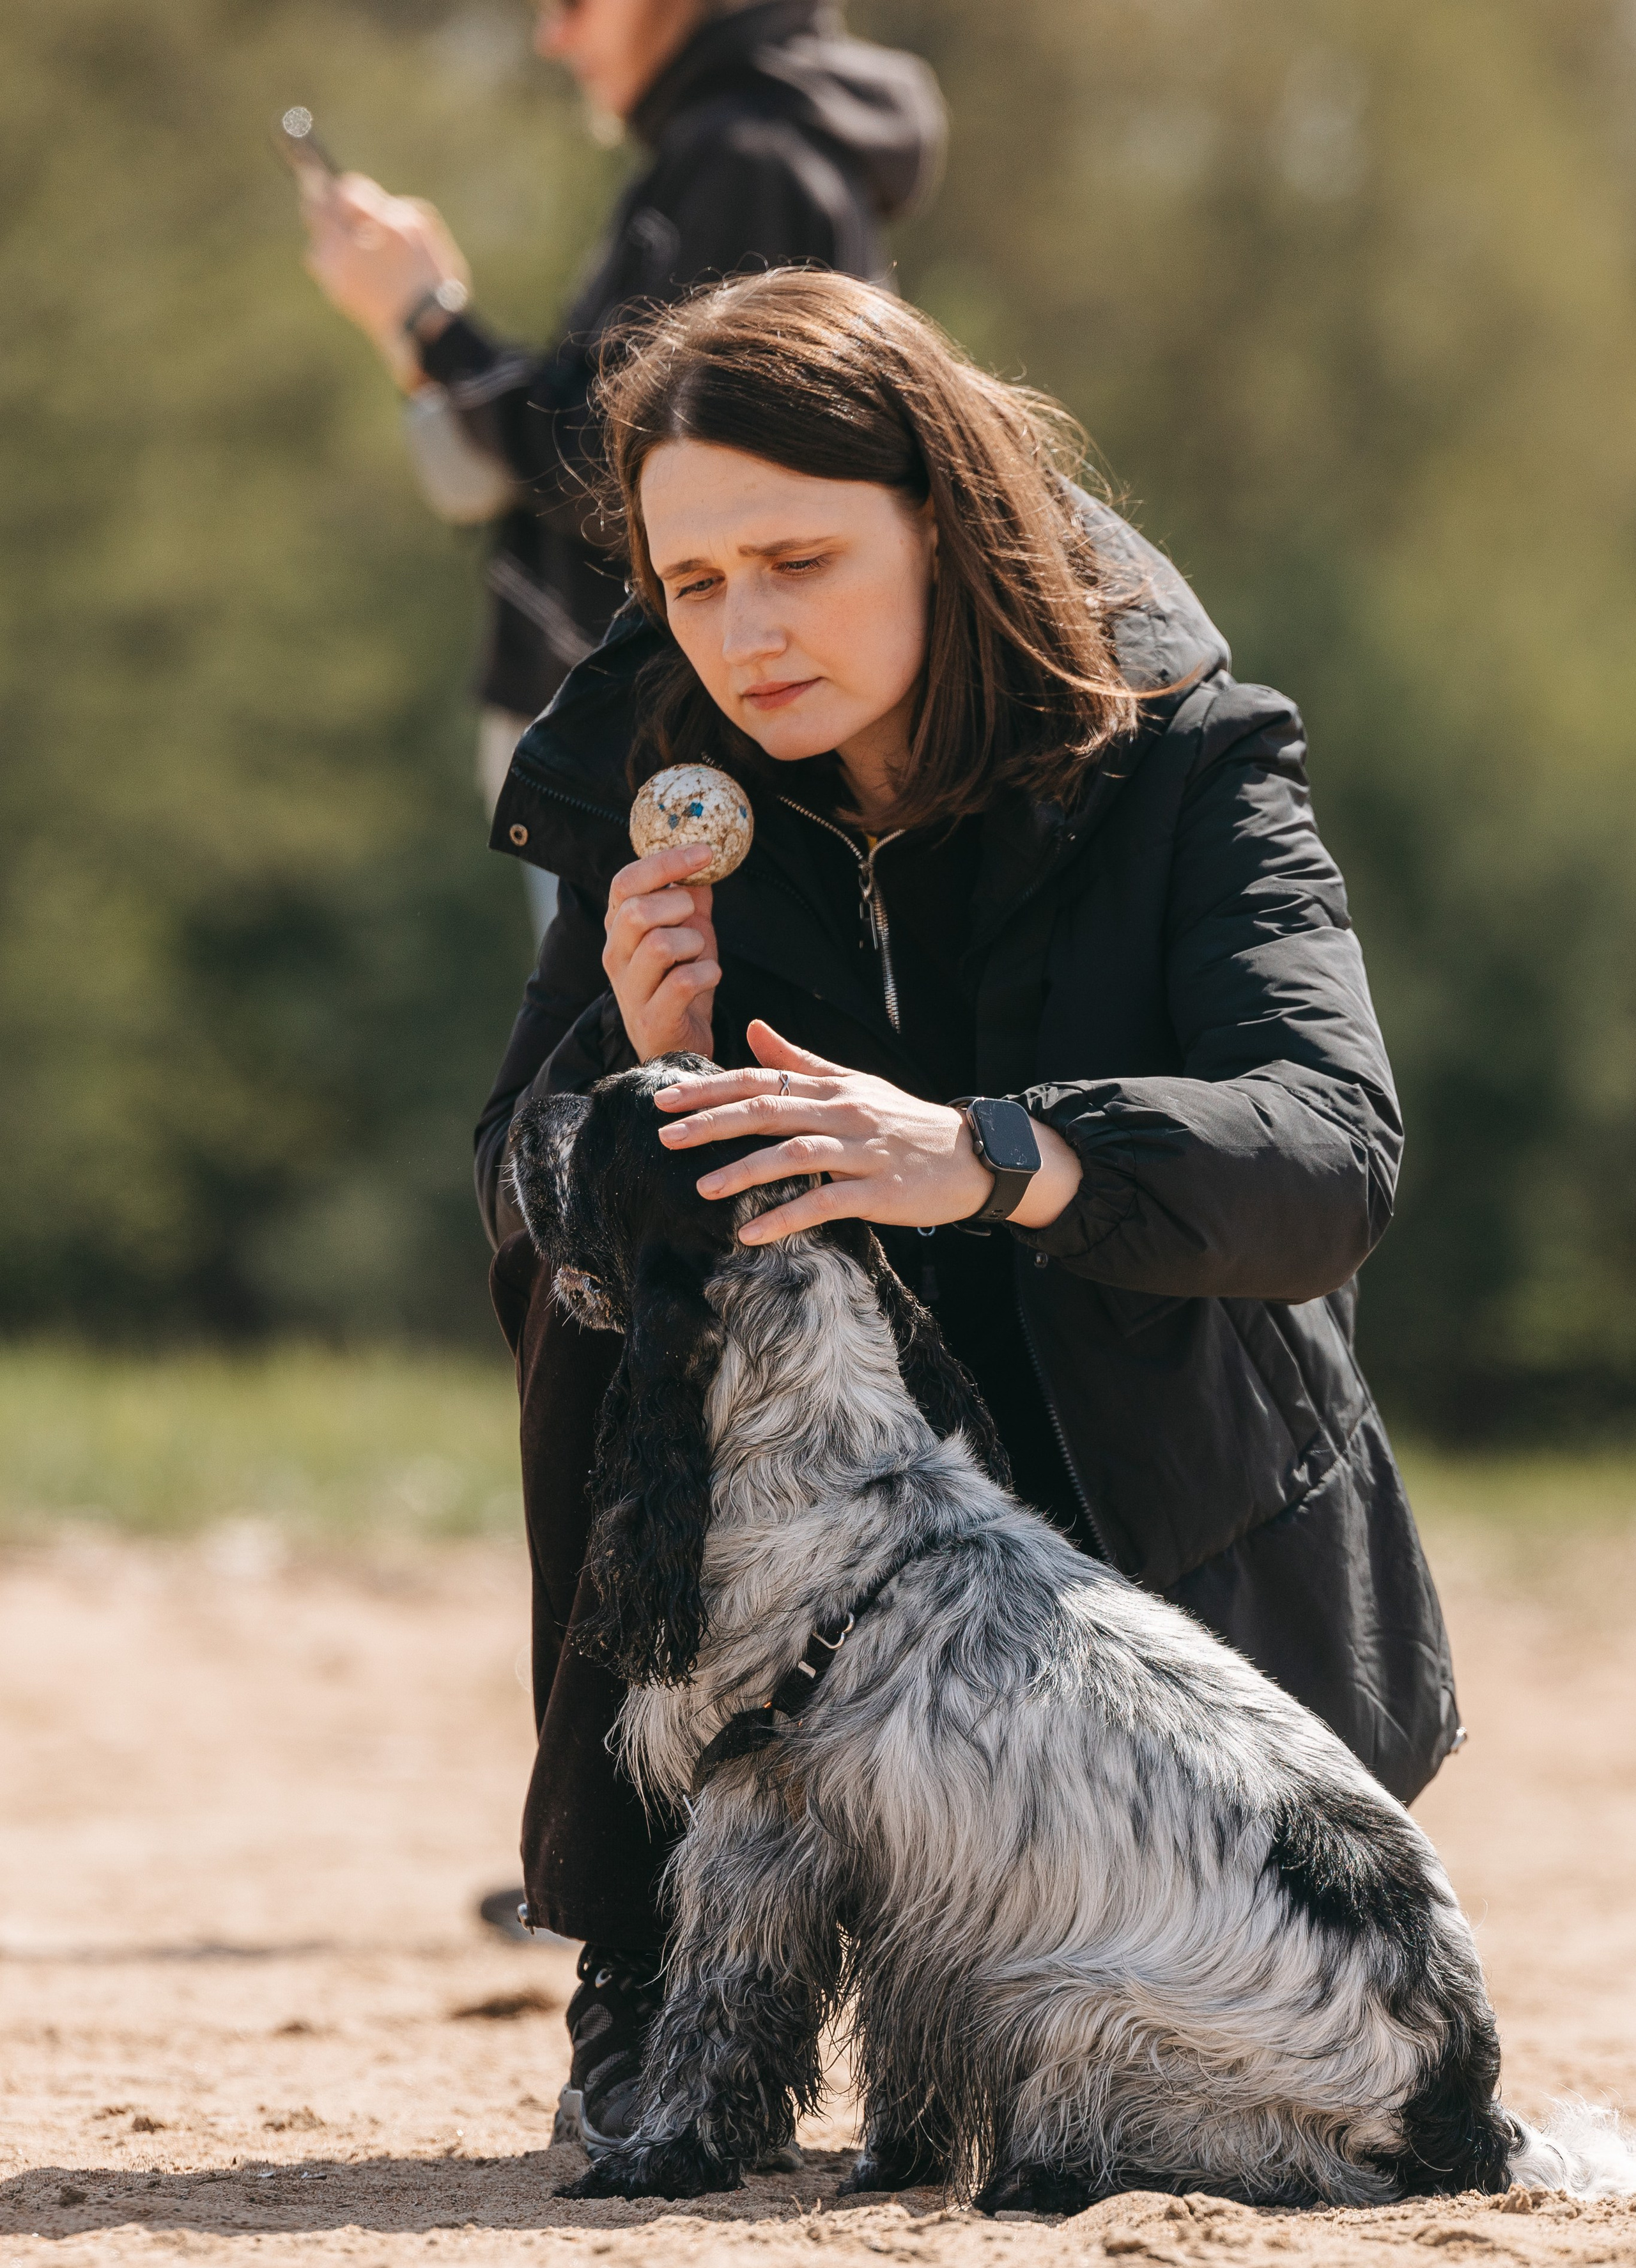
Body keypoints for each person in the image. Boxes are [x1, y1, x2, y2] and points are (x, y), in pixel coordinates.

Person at [477, 268, 1461, 2149]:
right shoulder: (650, 782)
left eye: (800, 559)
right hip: (808, 1567)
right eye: (695, 581)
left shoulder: (1192, 758)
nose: (745, 631)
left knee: (1098, 2097)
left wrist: (994, 1151)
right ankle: (652, 1936)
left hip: (1153, 1579)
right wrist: (640, 1055)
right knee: (619, 1237)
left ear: (943, 520)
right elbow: (513, 1202)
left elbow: (1333, 1150)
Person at [300, 0, 946, 942]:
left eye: (571, 4)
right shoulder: (731, 149)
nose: (549, 37)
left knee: (652, 1074)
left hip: (666, 746)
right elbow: (616, 441)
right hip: (652, 736)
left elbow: (624, 475)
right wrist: (428, 338)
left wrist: (429, 322)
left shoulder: (747, 160)